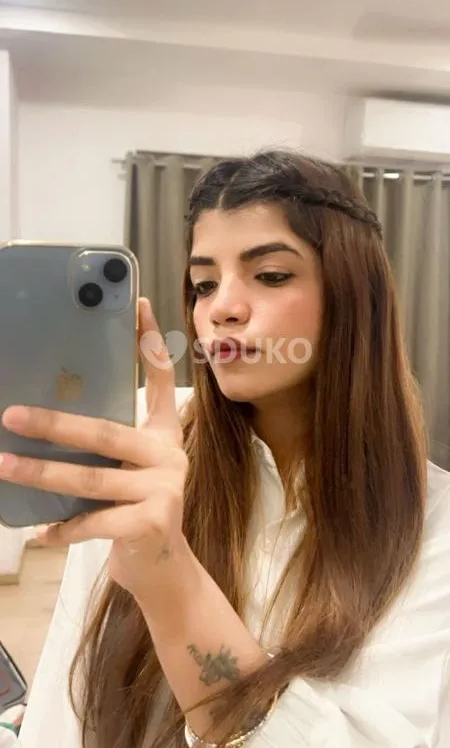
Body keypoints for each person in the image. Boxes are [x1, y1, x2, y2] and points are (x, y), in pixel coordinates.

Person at [4, 150, 449, 748]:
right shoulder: (147, 452)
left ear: (353, 295)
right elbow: (68, 705)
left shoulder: (433, 525)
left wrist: (169, 579)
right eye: (204, 284)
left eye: (271, 275)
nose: (221, 309)